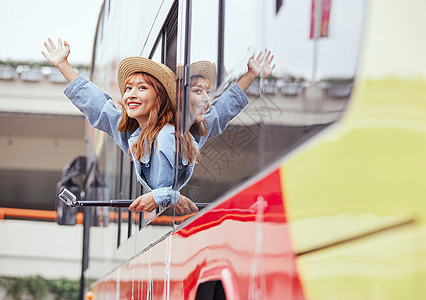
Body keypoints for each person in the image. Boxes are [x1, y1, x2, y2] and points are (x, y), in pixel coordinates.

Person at [42, 38, 274, 214]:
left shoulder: (172, 135)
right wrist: (63, 64)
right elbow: (97, 105)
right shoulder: (132, 130)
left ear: (160, 97)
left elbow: (221, 110)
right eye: (129, 88)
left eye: (142, 88)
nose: (131, 94)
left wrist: (166, 196)